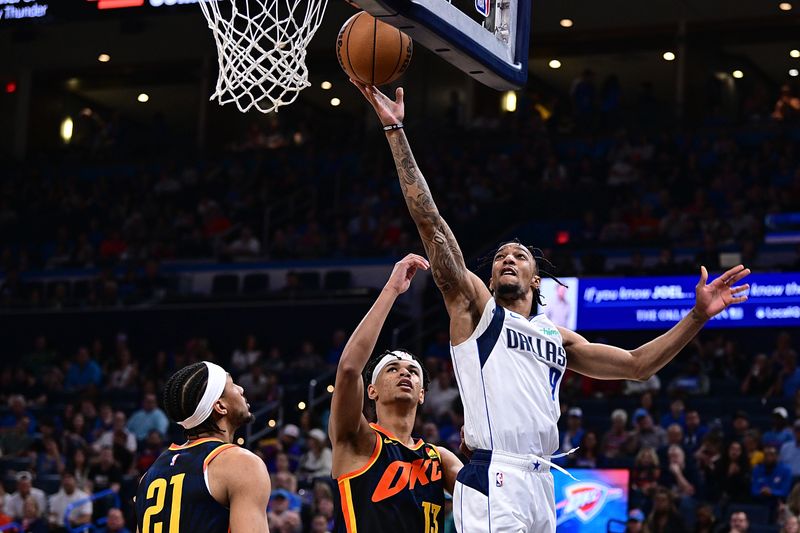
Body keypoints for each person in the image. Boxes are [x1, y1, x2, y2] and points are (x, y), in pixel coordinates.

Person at [351, 79, 752, 532]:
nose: (507, 258)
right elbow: (431, 222)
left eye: (518, 255)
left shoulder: (558, 337)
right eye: (500, 255)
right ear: (488, 277)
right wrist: (396, 132)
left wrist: (697, 317)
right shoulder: (479, 314)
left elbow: (638, 365)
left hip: (542, 482)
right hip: (493, 474)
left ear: (534, 278)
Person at [329, 254, 462, 532]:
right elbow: (350, 368)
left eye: (413, 371)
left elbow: (488, 502)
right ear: (372, 391)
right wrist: (391, 290)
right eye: (392, 369)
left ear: (423, 393)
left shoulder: (439, 458)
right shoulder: (359, 441)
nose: (405, 373)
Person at [135, 361, 270, 533]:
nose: (241, 389)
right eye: (232, 385)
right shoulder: (241, 464)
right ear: (220, 407)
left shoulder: (148, 476)